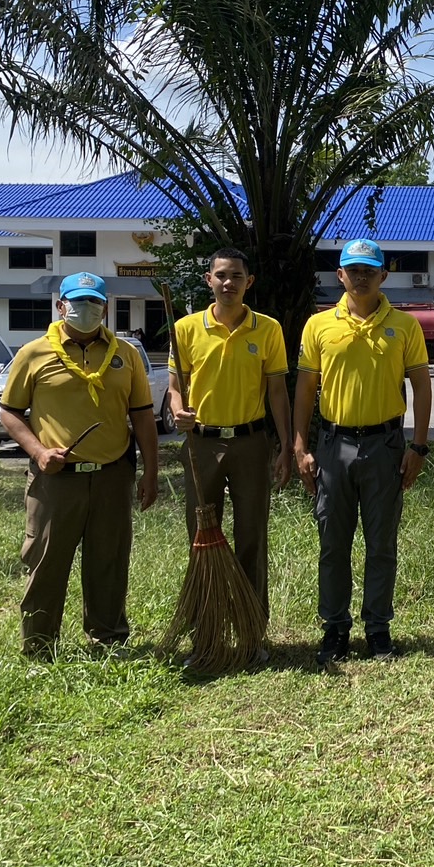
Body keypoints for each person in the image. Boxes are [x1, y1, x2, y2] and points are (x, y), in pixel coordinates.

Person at [0, 272, 159, 657]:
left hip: (112, 476)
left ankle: (108, 640)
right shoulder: (33, 353)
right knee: (46, 563)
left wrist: (151, 472)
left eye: (94, 302)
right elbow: (10, 412)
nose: (86, 308)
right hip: (55, 480)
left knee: (109, 562)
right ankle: (39, 647)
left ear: (105, 308)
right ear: (61, 306)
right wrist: (39, 452)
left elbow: (141, 415)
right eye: (78, 301)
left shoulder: (125, 355)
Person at [294, 238, 431, 664]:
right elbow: (305, 389)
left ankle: (378, 628)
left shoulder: (404, 326)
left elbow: (422, 387)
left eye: (369, 270)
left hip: (385, 445)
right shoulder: (318, 325)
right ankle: (335, 628)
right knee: (333, 543)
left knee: (381, 543)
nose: (361, 277)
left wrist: (418, 446)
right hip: (334, 445)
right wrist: (300, 445)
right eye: (353, 270)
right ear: (340, 275)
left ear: (383, 275)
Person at [168, 247, 293, 642]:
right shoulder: (186, 328)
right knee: (202, 537)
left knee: (252, 537)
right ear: (209, 280)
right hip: (201, 445)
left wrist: (286, 446)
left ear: (248, 282)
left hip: (250, 443)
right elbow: (175, 387)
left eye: (236, 276)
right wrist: (178, 411)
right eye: (221, 275)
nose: (228, 283)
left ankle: (252, 633)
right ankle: (206, 634)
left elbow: (277, 392)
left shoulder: (267, 329)